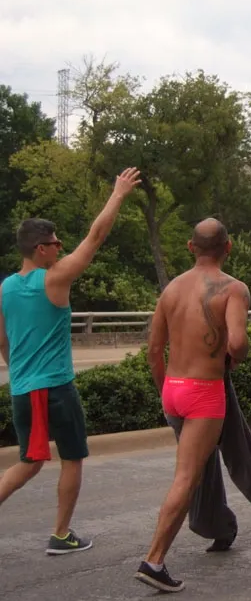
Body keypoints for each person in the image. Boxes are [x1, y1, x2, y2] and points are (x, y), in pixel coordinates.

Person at [0, 167, 142, 554]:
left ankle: (62, 533)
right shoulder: (55, 278)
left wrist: (21, 373)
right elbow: (95, 237)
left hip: (23, 390)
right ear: (40, 249)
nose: (61, 247)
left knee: (30, 462)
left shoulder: (5, 288)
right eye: (55, 242)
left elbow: (3, 341)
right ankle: (61, 534)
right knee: (72, 457)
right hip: (56, 388)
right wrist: (118, 194)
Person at [136, 218, 251, 593]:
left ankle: (216, 525)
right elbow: (237, 343)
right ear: (228, 247)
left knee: (198, 471)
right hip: (204, 391)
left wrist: (164, 391)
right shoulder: (233, 289)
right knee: (187, 477)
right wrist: (237, 356)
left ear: (191, 247)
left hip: (173, 388)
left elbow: (154, 350)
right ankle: (154, 560)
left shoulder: (171, 289)